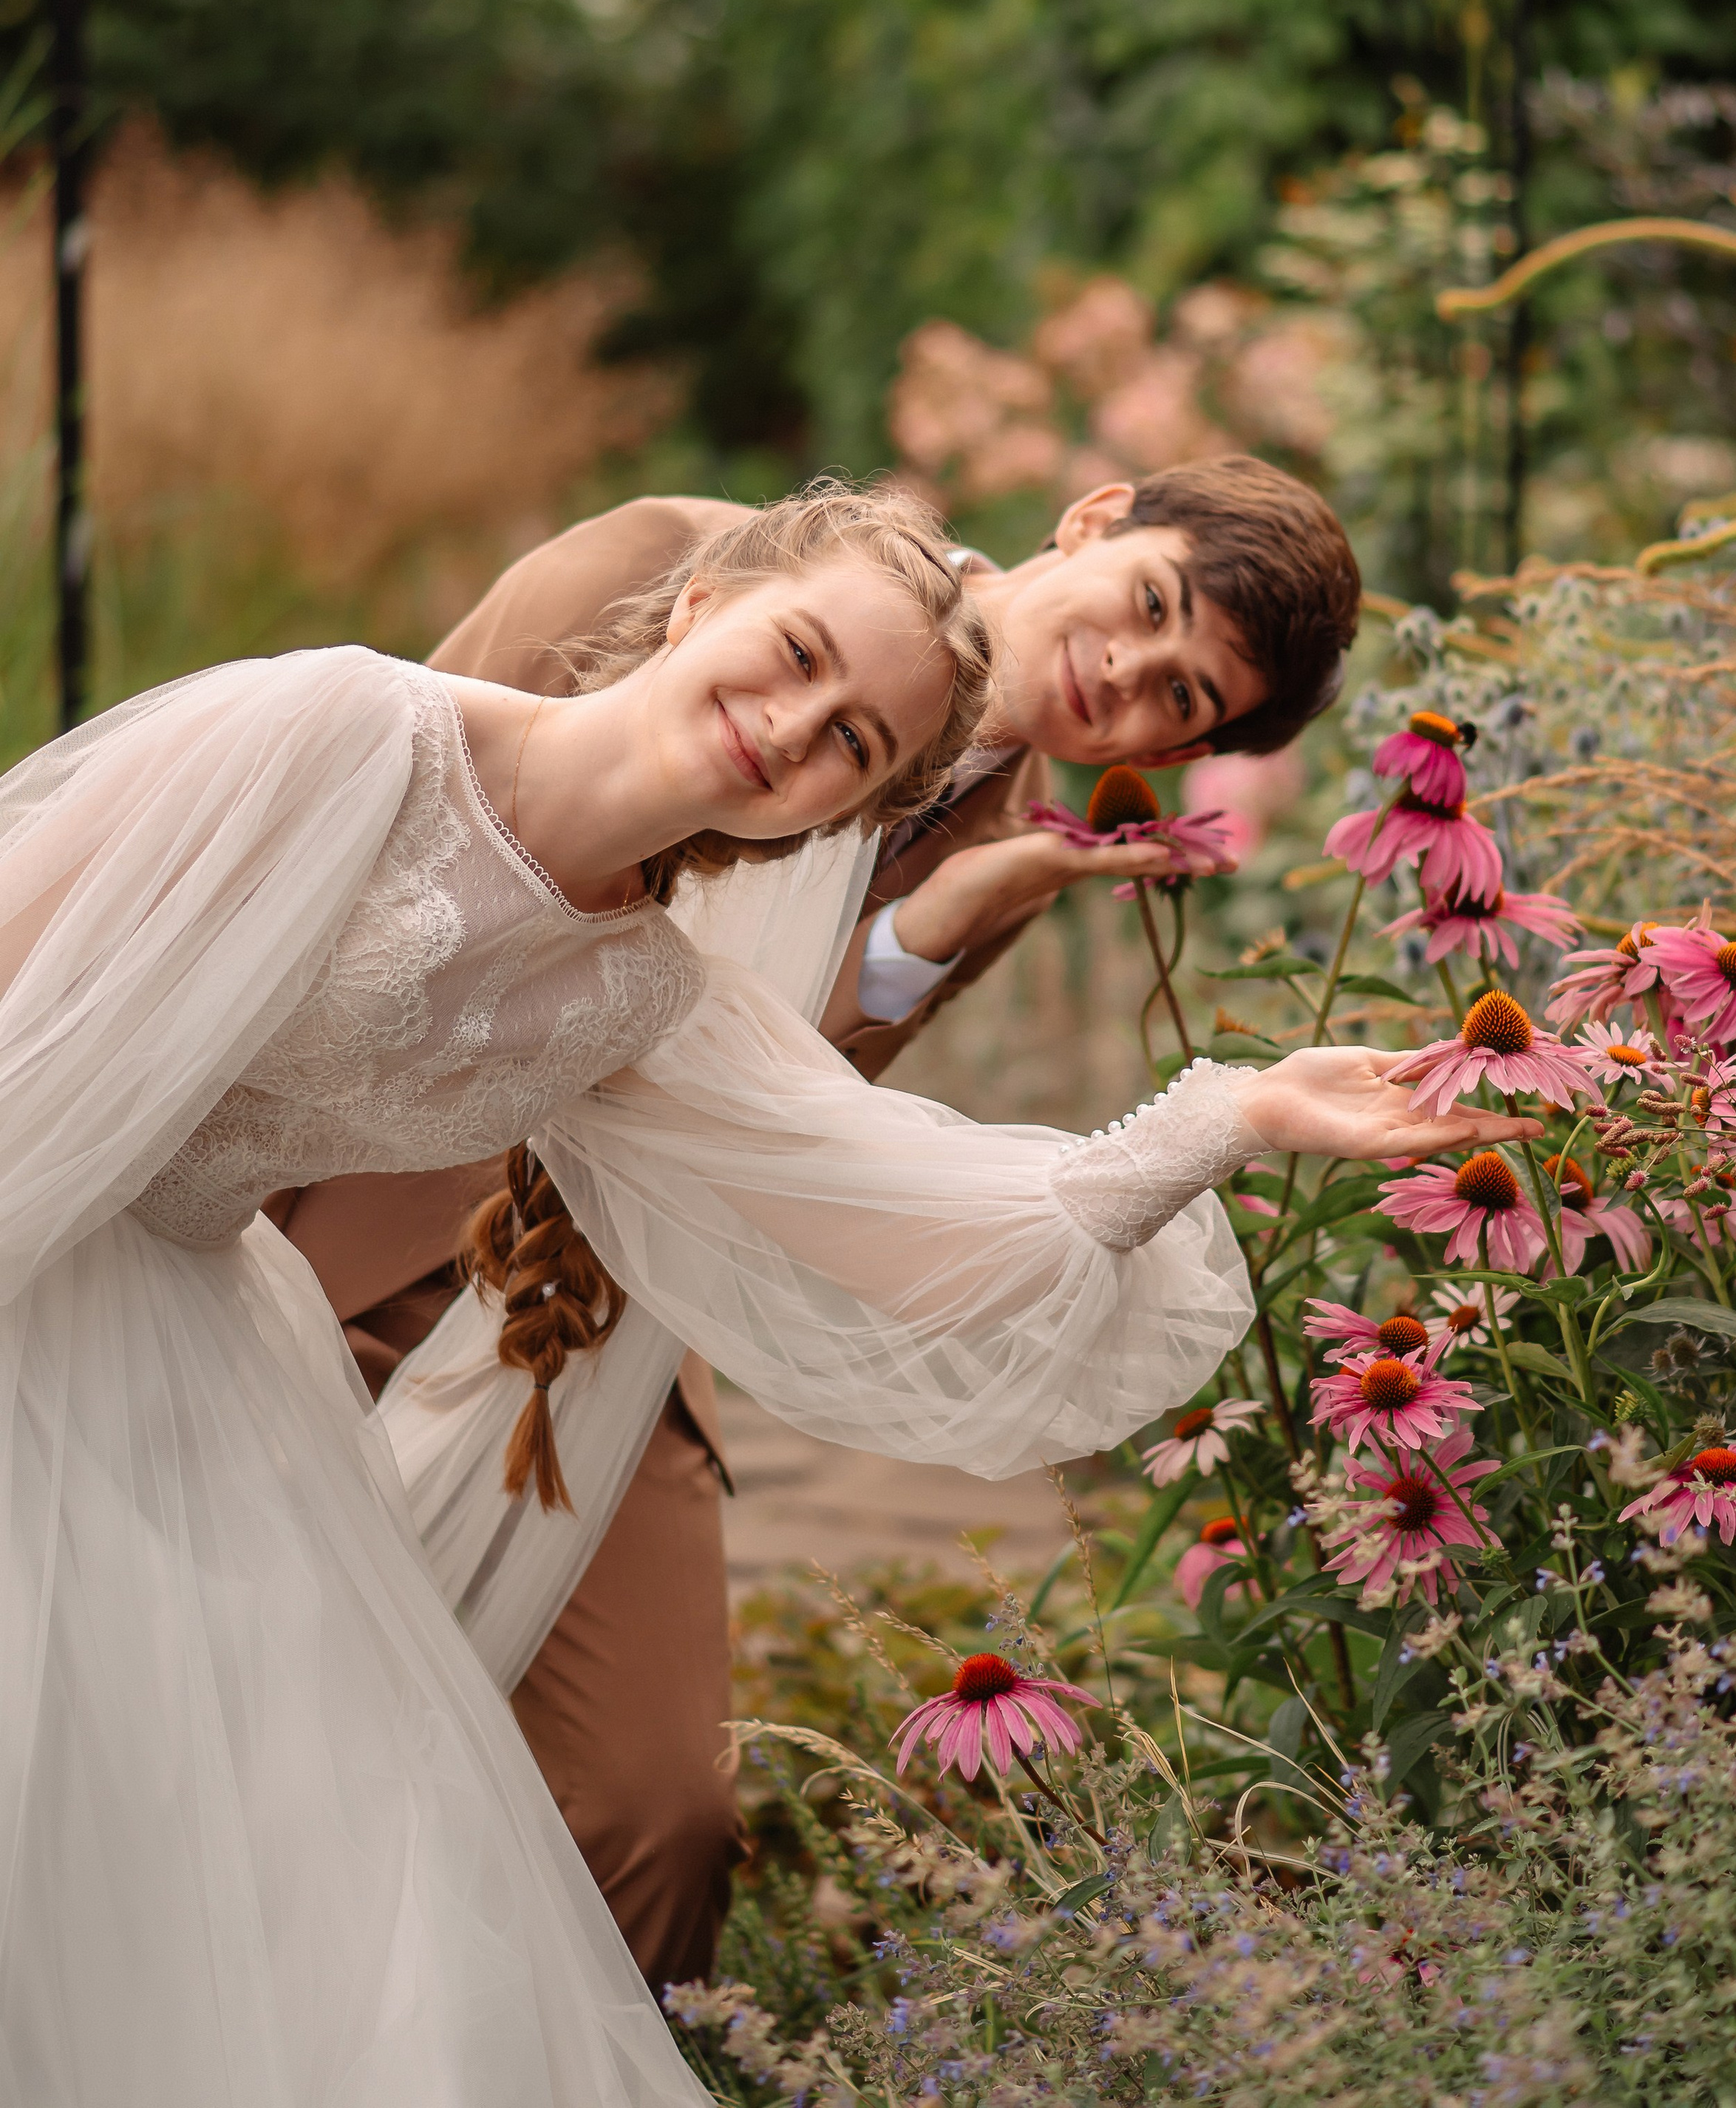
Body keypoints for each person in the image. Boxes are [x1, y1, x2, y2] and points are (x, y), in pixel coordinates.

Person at [0, 480, 1525, 2104]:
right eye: (793, 657)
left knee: (295, 1845)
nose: (792, 728)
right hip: (79, 1248)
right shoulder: (343, 721)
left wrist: (1228, 1114)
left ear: (844, 815)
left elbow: (870, 1200)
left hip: (298, 1342)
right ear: (695, 606)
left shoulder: (640, 995)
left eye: (855, 749)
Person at [275, 455, 1361, 1984]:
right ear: (1096, 516)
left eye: (1178, 701)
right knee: (226, 1681)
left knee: (658, 1812)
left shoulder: (1012, 855)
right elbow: (362, 825)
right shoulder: (691, 561)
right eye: (1149, 608)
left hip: (596, 1321)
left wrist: (934, 928)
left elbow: (801, 1142)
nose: (1122, 679)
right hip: (342, 1211)